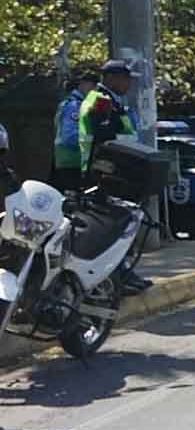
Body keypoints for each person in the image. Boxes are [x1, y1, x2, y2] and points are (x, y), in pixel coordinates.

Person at [78, 60, 152, 294]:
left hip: (113, 172)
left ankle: (123, 272)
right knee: (112, 228)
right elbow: (107, 140)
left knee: (121, 227)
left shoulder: (111, 101)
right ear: (111, 78)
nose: (129, 84)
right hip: (105, 173)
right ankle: (116, 276)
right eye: (125, 78)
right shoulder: (101, 100)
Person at [51, 72, 97, 192]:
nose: (95, 90)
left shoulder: (78, 104)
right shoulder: (74, 106)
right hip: (72, 163)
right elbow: (70, 137)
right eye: (92, 85)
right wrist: (95, 141)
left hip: (72, 162)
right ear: (81, 85)